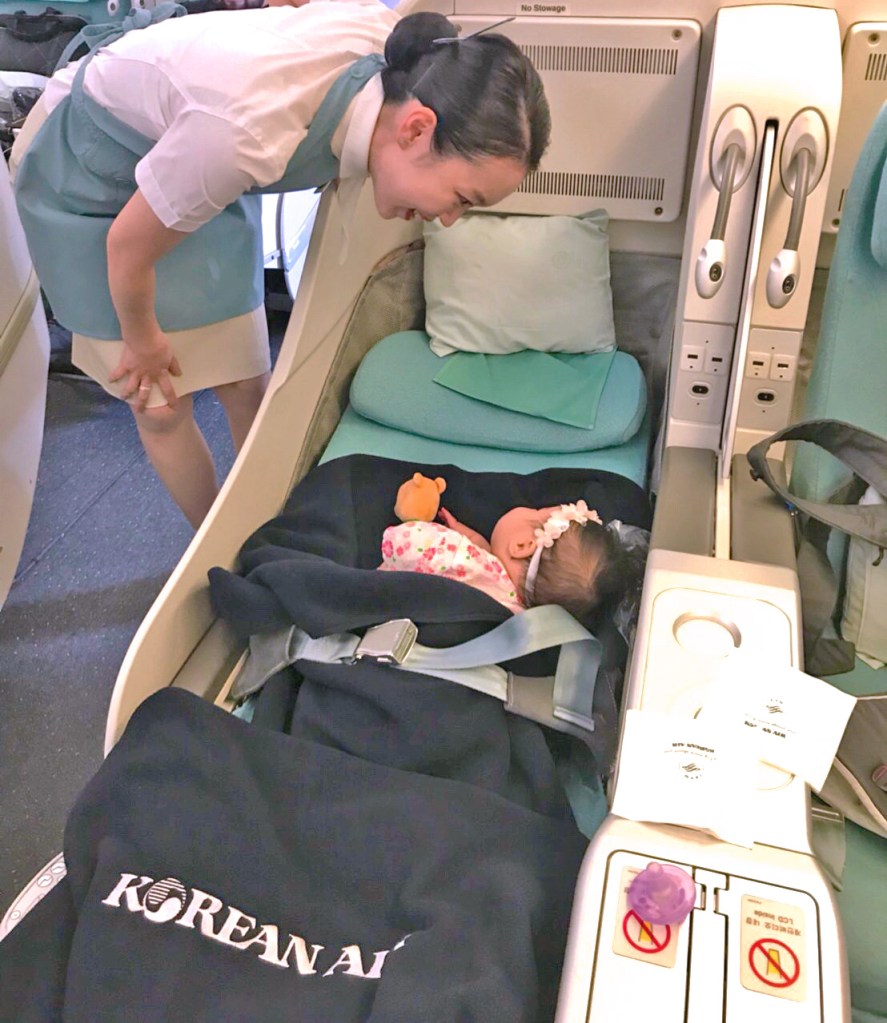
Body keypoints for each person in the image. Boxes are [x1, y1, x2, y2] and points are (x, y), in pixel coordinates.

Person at [11, 3, 550, 527]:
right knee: (159, 405)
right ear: (414, 129)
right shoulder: (245, 135)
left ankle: (269, 524)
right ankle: (214, 543)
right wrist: (143, 338)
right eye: (460, 198)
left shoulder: (406, 61)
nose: (449, 219)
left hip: (187, 159)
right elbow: (128, 246)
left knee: (246, 376)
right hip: (91, 170)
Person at [379, 501, 637, 628]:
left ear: (522, 545)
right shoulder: (517, 615)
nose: (528, 509)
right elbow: (488, 560)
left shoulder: (455, 556)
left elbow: (403, 542)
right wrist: (465, 535)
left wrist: (441, 534)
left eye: (534, 512)